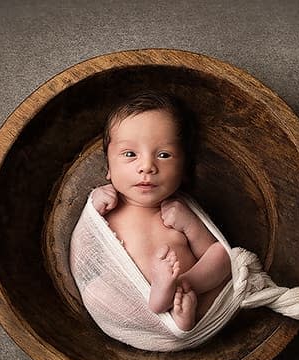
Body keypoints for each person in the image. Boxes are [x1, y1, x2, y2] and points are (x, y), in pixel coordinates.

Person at [90, 92, 231, 331]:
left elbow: (215, 254)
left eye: (164, 155)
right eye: (130, 154)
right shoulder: (105, 208)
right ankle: (161, 304)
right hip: (131, 300)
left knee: (226, 256)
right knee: (95, 290)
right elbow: (88, 249)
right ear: (108, 168)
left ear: (184, 169)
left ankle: (178, 296)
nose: (147, 166)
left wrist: (189, 226)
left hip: (186, 291)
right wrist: (93, 204)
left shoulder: (179, 212)